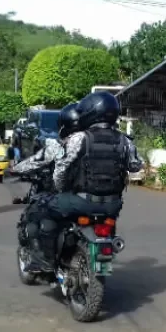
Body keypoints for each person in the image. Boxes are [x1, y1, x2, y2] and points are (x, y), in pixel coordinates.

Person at [36, 92, 142, 270]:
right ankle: (103, 256)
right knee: (108, 222)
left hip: (81, 201)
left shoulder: (80, 137)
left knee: (45, 208)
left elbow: (62, 167)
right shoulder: (124, 140)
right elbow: (136, 166)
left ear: (90, 113)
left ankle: (48, 260)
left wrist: (60, 188)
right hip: (112, 204)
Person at [9, 102, 81, 270]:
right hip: (91, 199)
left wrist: (15, 170)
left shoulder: (57, 145)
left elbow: (35, 162)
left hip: (61, 197)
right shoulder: (92, 142)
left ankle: (44, 260)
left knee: (36, 219)